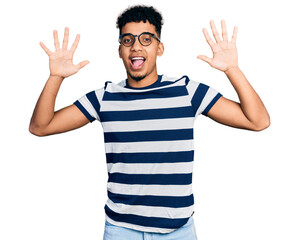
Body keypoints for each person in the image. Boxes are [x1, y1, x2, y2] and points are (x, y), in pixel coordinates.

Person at [29, 5, 270, 240]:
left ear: (159, 47)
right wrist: (56, 77)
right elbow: (41, 127)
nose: (136, 46)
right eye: (128, 40)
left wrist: (232, 69)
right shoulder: (104, 98)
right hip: (120, 229)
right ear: (120, 50)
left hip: (178, 231)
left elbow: (258, 121)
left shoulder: (186, 92)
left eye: (146, 39)